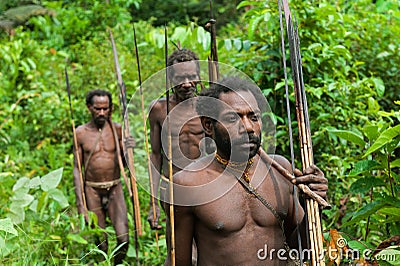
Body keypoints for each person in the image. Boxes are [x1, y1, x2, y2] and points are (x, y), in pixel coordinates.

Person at [167, 76, 328, 265]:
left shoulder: (280, 171)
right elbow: (179, 261)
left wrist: (313, 208)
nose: (248, 127)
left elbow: (303, 250)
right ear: (209, 126)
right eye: (232, 118)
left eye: (254, 117)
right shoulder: (188, 184)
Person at [147, 48, 205, 229]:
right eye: (180, 78)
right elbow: (155, 156)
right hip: (172, 187)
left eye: (191, 76)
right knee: (181, 249)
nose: (187, 84)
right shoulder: (159, 109)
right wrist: (153, 203)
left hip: (204, 186)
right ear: (170, 79)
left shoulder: (208, 106)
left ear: (199, 75)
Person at [73, 89, 133, 265]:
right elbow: (77, 169)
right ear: (89, 107)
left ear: (111, 108)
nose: (101, 113)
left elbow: (125, 163)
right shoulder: (81, 133)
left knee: (124, 239)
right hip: (92, 189)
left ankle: (116, 263)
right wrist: (80, 203)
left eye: (105, 109)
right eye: (97, 109)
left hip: (114, 187)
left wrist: (128, 149)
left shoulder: (117, 129)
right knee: (101, 242)